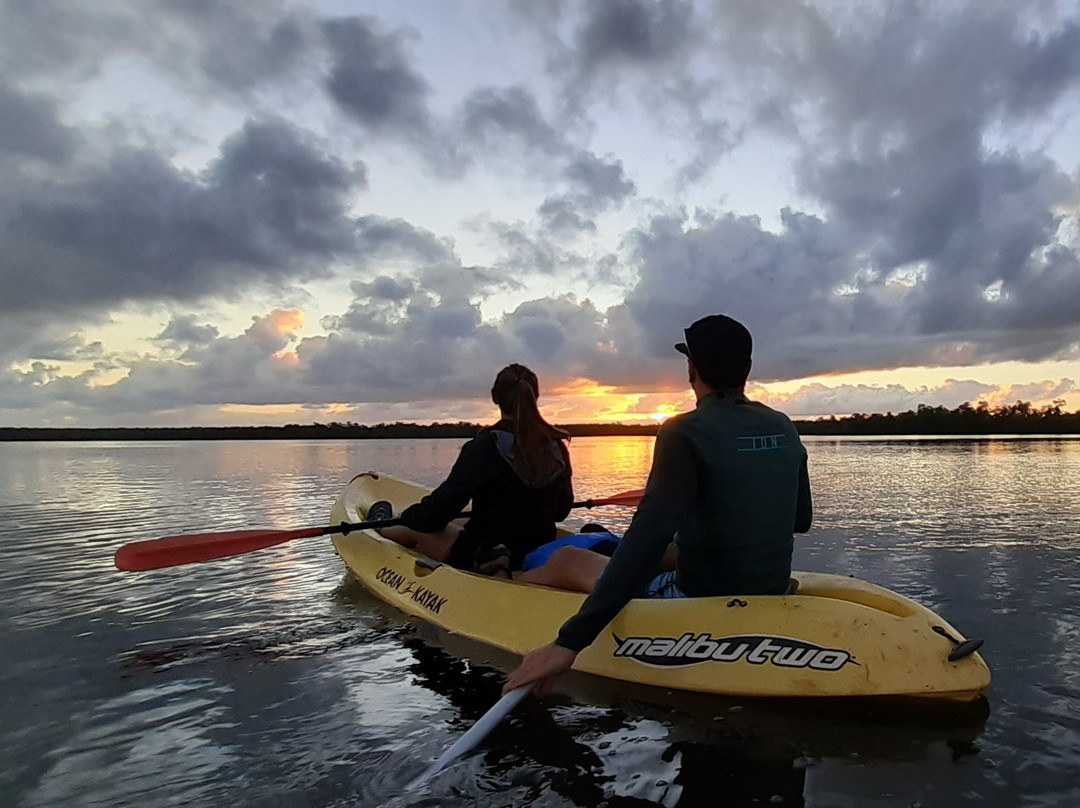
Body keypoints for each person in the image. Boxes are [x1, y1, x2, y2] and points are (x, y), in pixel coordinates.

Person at [505, 314, 813, 692]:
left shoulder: (682, 431)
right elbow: (800, 520)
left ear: (691, 369)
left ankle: (507, 587)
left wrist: (570, 641)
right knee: (663, 552)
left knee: (570, 560)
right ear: (746, 368)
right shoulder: (783, 425)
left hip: (697, 598)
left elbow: (646, 539)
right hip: (771, 586)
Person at [374, 363, 574, 577]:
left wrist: (409, 515)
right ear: (536, 396)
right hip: (536, 550)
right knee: (457, 521)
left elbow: (435, 514)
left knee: (415, 525)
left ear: (495, 398)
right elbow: (561, 511)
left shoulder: (483, 448)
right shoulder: (556, 447)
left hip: (484, 553)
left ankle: (380, 527)